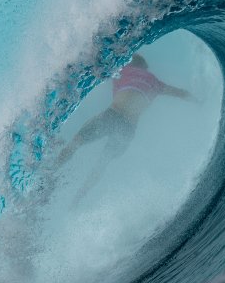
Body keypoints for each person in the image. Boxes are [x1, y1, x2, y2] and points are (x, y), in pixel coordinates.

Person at [55, 53, 194, 203]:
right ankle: (77, 199)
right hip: (128, 127)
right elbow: (180, 93)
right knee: (102, 164)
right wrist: (199, 101)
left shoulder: (123, 69)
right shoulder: (155, 81)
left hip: (112, 115)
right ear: (145, 67)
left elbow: (97, 65)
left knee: (76, 143)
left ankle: (51, 173)